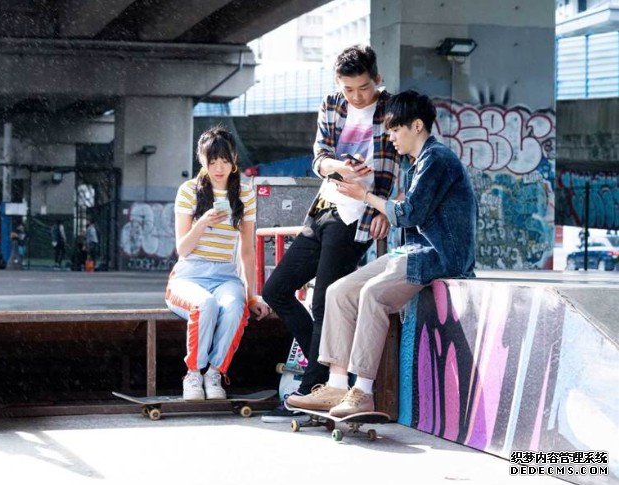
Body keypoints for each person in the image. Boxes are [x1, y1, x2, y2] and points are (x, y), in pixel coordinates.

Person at [286, 90, 477, 416]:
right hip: (414, 251)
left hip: (440, 256)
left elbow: (409, 214)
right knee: (338, 292)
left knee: (372, 294)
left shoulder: (437, 159)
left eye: (395, 130)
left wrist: (365, 196)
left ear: (417, 125)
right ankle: (336, 385)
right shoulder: (417, 163)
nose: (391, 138)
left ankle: (362, 391)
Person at [261, 45, 400, 422]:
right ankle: (327, 374)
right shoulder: (332, 104)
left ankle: (311, 389)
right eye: (349, 89)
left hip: (357, 217)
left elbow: (407, 162)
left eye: (364, 87)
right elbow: (319, 159)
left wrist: (384, 208)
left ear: (377, 79)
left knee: (324, 300)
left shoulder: (392, 109)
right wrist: (340, 166)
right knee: (276, 290)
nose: (357, 96)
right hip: (323, 208)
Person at [167, 127, 271, 400]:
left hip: (226, 275)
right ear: (202, 160)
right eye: (212, 161)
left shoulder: (244, 194)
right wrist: (202, 222)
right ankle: (193, 374)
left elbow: (247, 251)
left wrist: (251, 295)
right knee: (205, 304)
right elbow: (182, 249)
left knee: (236, 307)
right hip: (189, 275)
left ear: (234, 159)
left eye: (225, 160)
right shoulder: (188, 191)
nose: (219, 168)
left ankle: (214, 374)